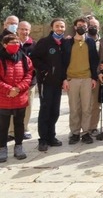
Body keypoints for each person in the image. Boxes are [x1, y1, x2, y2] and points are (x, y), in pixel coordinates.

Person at [30, 18, 66, 152]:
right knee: (45, 109)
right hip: (46, 82)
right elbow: (34, 58)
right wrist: (45, 70)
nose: (60, 29)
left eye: (62, 27)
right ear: (52, 28)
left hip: (58, 83)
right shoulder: (45, 42)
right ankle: (43, 139)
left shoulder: (64, 43)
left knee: (55, 111)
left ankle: (52, 136)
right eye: (57, 26)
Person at [62, 17, 99, 145]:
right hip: (72, 79)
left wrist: (94, 77)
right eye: (79, 25)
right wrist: (64, 79)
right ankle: (75, 133)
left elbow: (94, 61)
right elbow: (62, 63)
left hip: (87, 78)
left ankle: (86, 133)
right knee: (74, 108)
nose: (81, 27)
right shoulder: (67, 42)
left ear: (87, 27)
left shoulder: (90, 42)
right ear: (75, 27)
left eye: (84, 25)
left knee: (87, 108)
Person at [0, 34, 34, 162]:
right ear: (4, 44)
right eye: (12, 42)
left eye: (17, 42)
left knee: (19, 124)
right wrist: (9, 89)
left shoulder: (25, 59)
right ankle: (2, 148)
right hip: (3, 98)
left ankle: (18, 146)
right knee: (2, 126)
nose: (15, 45)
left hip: (20, 97)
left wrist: (18, 88)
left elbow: (29, 75)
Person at [8, 21, 36, 141]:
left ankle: (24, 129)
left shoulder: (34, 44)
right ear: (17, 30)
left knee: (27, 106)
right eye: (22, 29)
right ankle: (11, 131)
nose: (24, 32)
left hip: (29, 82)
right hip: (12, 82)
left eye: (27, 30)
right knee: (10, 106)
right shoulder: (11, 43)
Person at [87, 16, 102, 136]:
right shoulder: (82, 41)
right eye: (91, 26)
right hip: (84, 75)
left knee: (96, 104)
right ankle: (82, 128)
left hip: (98, 77)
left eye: (95, 26)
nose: (93, 28)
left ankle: (93, 127)